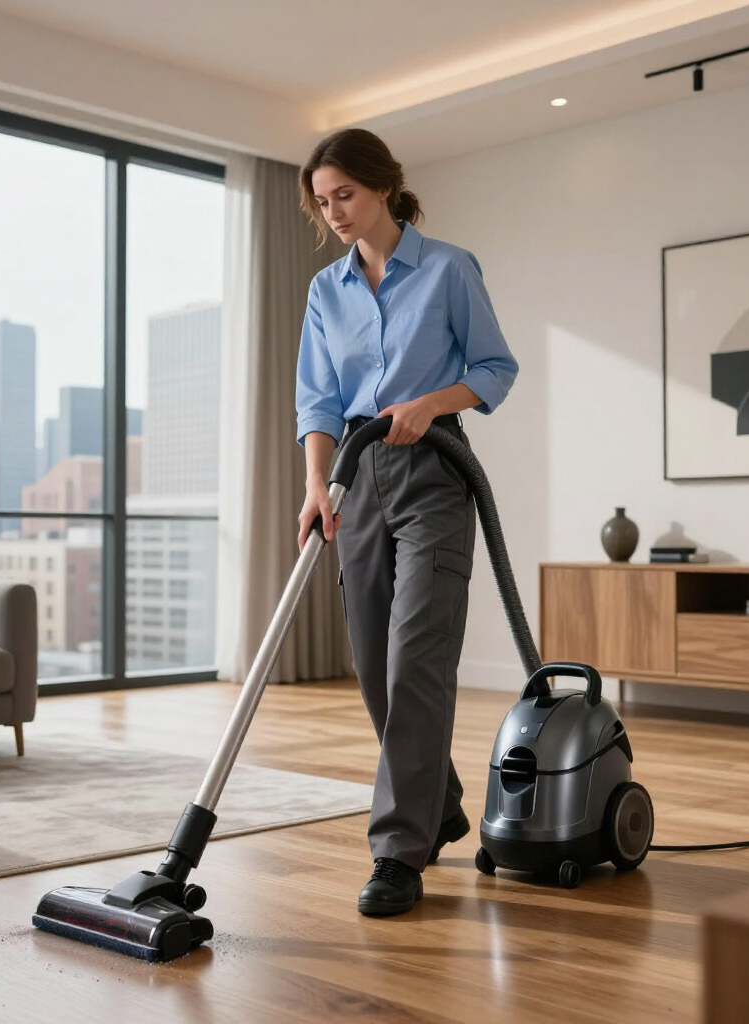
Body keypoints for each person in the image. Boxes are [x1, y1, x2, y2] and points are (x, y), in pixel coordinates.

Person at [294, 128, 518, 916]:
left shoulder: (450, 268)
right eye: (323, 204)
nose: (336, 214)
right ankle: (440, 802)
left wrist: (432, 401)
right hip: (358, 474)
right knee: (374, 667)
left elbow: (495, 369)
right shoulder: (327, 290)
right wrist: (318, 486)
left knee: (418, 655)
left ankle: (398, 852)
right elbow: (317, 401)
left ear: (384, 185)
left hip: (434, 470)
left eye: (345, 195)